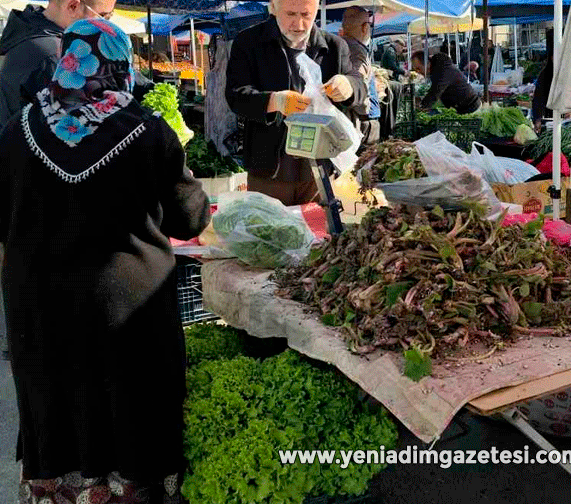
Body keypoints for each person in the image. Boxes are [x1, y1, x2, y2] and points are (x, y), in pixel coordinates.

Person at [0, 19, 210, 503]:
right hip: (127, 310)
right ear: (119, 64)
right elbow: (190, 220)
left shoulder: (17, 131)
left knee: (56, 400)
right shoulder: (148, 133)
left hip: (40, 310)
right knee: (128, 404)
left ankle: (60, 490)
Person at [226, 0, 366, 207]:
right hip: (270, 169)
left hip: (320, 168)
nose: (299, 24)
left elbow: (359, 85)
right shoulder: (249, 42)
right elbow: (236, 96)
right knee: (270, 233)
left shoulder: (335, 46)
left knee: (319, 232)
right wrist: (274, 101)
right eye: (290, 14)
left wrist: (348, 86)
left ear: (316, 10)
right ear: (273, 8)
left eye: (306, 15)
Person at [0, 0, 117, 127]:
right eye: (103, 16)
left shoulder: (26, 29)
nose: (106, 25)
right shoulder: (53, 54)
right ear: (73, 6)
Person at [340, 5, 381, 146]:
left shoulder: (338, 45)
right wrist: (365, 106)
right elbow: (359, 85)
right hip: (362, 122)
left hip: (348, 118)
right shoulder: (358, 52)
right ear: (365, 28)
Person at [411, 50, 481, 114]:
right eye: (415, 70)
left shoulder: (443, 69)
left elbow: (436, 91)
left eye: (418, 68)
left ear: (427, 64)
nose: (418, 72)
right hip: (460, 108)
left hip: (470, 108)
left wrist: (422, 107)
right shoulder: (437, 69)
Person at [531, 28, 554, 132]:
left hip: (569, 118)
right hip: (549, 119)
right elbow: (538, 98)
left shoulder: (570, 73)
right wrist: (538, 119)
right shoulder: (546, 74)